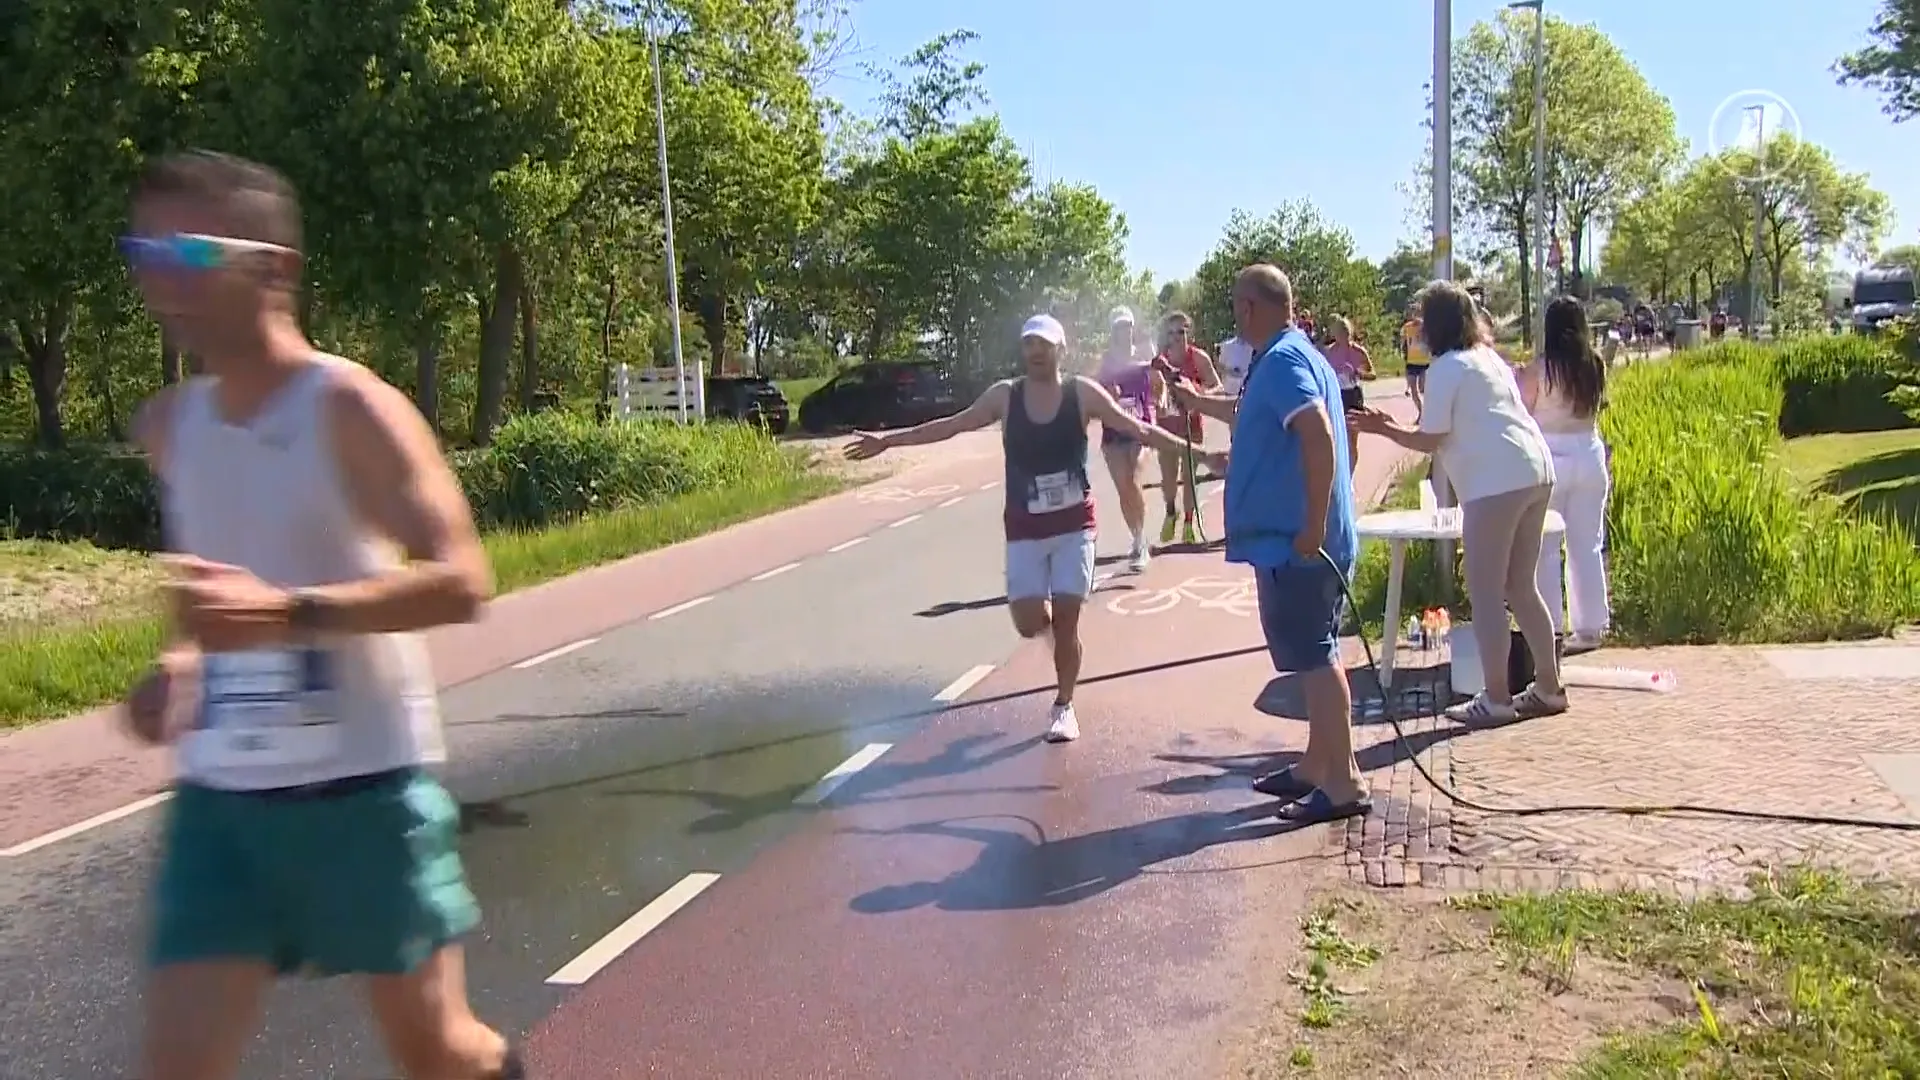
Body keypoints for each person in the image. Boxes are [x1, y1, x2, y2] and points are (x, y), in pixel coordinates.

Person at [117, 151, 524, 1079]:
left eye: (187, 249)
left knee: (439, 1053)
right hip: (221, 804)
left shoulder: (348, 408)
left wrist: (289, 614)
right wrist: (181, 659)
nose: (157, 277)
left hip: (362, 793)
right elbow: (216, 588)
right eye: (141, 248)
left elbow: (464, 579)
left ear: (275, 267)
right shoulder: (169, 426)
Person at [846, 314, 1214, 743]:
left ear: (1062, 349)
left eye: (1044, 344)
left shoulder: (1082, 393)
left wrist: (1202, 456)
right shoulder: (1006, 396)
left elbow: (1140, 428)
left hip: (1075, 525)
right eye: (1029, 344)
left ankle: (1063, 705)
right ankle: (1058, 645)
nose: (1036, 352)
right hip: (1024, 527)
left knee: (1068, 622)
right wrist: (888, 441)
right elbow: (951, 425)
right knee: (1027, 621)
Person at [1169, 265, 1369, 823]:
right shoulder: (1290, 356)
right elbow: (1250, 415)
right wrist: (1196, 402)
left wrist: (1311, 524)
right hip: (1293, 542)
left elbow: (1318, 433)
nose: (1236, 315)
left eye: (1238, 305)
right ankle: (1314, 764)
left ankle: (1344, 779)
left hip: (1300, 544)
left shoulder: (1282, 362)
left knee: (1316, 656)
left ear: (1252, 307)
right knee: (1310, 654)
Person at [1351, 280, 1567, 725]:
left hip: (1496, 481)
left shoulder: (1446, 368)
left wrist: (1381, 428)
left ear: (1435, 325)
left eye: (1421, 321)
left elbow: (1431, 439)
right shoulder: (1488, 359)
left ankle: (1496, 699)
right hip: (1535, 469)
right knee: (1520, 587)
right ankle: (1548, 687)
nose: (1417, 329)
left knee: (1487, 592)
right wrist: (1391, 425)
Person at [1519, 296, 1610, 651]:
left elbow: (1525, 410)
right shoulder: (1594, 365)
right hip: (1589, 451)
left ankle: (1550, 628)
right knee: (1587, 544)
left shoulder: (1541, 368)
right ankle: (1590, 627)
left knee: (1543, 548)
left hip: (1550, 456)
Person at [1095, 307, 1162, 571]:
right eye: (1119, 327)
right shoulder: (1106, 360)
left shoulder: (1146, 353)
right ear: (1113, 331)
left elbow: (1158, 381)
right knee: (1123, 488)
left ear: (1133, 328)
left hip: (1139, 428)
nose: (1124, 331)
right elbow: (1096, 387)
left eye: (1127, 326)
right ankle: (1135, 536)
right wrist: (1108, 391)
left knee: (1133, 481)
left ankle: (1141, 541)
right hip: (1112, 431)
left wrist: (1162, 399)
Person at [1153, 311, 1220, 545]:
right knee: (1169, 479)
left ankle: (1189, 523)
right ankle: (1172, 511)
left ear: (1187, 332)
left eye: (1180, 332)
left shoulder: (1198, 358)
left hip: (1192, 426)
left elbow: (1216, 385)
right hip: (1167, 428)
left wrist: (1199, 396)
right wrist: (1160, 402)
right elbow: (1156, 390)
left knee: (1190, 477)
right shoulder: (1161, 360)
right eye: (1171, 333)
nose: (1176, 337)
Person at [1321, 316, 1374, 477]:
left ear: (1349, 333)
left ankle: (1348, 478)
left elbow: (1373, 374)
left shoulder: (1358, 351)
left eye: (1344, 332)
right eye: (1338, 332)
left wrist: (1358, 372)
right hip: (1336, 395)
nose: (1341, 336)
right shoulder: (1329, 352)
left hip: (1353, 395)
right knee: (1336, 437)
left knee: (1351, 439)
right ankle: (1338, 475)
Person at [1401, 309, 1429, 418]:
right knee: (1414, 391)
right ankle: (1421, 413)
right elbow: (1404, 342)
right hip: (1411, 362)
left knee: (1422, 389)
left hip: (1424, 362)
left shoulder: (1426, 328)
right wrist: (1404, 353)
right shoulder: (1407, 327)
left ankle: (1429, 411)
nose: (1415, 315)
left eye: (1418, 313)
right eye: (1413, 313)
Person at [1216, 333, 1254, 399]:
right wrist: (1231, 372)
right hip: (1228, 391)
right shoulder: (1226, 346)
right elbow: (1219, 367)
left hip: (1244, 392)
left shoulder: (1253, 348)